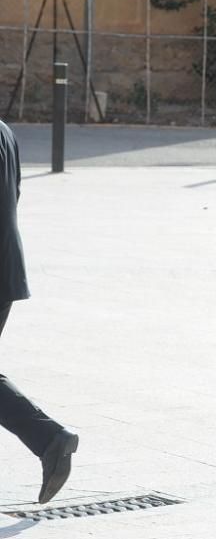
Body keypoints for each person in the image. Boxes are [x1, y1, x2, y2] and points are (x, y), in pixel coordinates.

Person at [0, 119, 79, 505]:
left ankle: (49, 438)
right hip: (7, 270)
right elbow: (13, 194)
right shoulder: (5, 131)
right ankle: (49, 439)